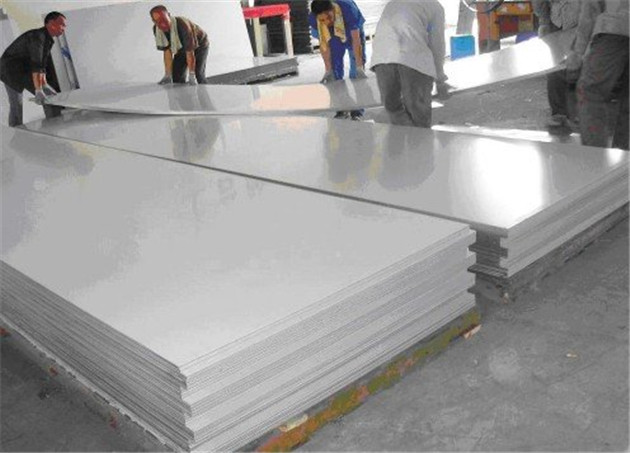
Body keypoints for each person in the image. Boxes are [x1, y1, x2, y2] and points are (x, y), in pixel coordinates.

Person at [370, 0, 449, 128]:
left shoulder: (393, 3)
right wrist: (440, 79)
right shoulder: (434, 6)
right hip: (413, 57)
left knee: (393, 108)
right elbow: (437, 43)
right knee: (418, 112)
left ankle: (410, 134)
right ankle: (419, 136)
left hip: (382, 57)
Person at [567, 0, 628, 150]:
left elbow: (591, 7)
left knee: (591, 92)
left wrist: (578, 52)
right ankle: (625, 158)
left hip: (615, 29)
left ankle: (595, 156)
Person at [0, 11, 66, 127]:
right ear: (51, 24)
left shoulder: (48, 39)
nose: (64, 28)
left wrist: (44, 84)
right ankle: (16, 131)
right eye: (62, 25)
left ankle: (54, 127)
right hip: (9, 70)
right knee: (17, 105)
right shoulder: (37, 37)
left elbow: (42, 65)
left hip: (24, 69)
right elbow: (36, 64)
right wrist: (38, 89)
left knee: (49, 99)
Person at [308, 0, 367, 120]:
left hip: (350, 30)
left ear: (333, 10)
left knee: (356, 74)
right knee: (335, 73)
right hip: (332, 35)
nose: (327, 21)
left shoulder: (348, 9)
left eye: (329, 17)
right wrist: (328, 69)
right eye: (323, 19)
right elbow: (324, 44)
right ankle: (342, 108)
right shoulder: (314, 19)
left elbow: (356, 40)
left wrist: (359, 66)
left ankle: (357, 111)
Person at [532, 0, 581, 129]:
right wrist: (544, 22)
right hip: (557, 22)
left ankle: (578, 111)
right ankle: (559, 113)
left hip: (583, 20)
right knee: (555, 68)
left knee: (581, 66)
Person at [150, 5, 210, 86]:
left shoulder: (183, 25)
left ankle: (204, 91)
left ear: (169, 15)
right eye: (158, 21)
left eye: (163, 19)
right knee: (176, 76)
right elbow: (167, 51)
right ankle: (183, 93)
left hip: (200, 45)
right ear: (153, 21)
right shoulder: (157, 30)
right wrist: (168, 75)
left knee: (198, 74)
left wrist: (191, 75)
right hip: (181, 47)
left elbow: (190, 52)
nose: (162, 24)